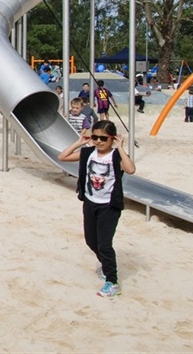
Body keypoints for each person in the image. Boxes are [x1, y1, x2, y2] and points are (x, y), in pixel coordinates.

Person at [57, 121, 136, 299]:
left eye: (103, 138)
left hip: (109, 206)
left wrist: (120, 147)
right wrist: (79, 143)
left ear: (112, 139)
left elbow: (130, 169)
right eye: (95, 137)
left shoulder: (116, 156)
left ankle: (112, 282)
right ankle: (105, 265)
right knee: (91, 241)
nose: (99, 141)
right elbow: (62, 157)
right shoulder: (87, 153)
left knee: (104, 244)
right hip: (90, 202)